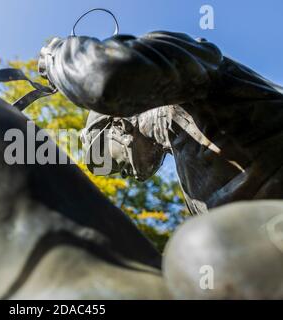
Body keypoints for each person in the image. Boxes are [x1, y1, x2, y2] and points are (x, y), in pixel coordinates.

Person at [39, 31, 283, 215]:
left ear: (119, 126)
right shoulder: (185, 160)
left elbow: (105, 76)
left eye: (109, 158)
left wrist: (57, 55)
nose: (128, 174)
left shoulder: (190, 77)